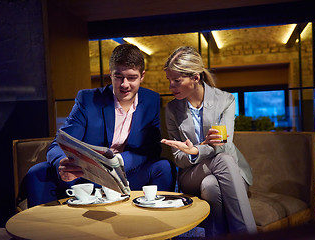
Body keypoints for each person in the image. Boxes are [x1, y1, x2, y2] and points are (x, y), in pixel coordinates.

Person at [25, 44, 175, 207]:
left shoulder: (151, 100)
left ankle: (158, 228)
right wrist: (63, 164)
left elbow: (151, 149)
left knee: (163, 167)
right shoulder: (88, 100)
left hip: (128, 174)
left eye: (131, 77)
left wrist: (119, 161)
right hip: (87, 175)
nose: (125, 84)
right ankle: (46, 230)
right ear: (110, 75)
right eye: (118, 77)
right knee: (38, 173)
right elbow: (58, 144)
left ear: (142, 76)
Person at [161, 46, 257, 237]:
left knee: (212, 186)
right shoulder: (171, 110)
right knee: (224, 160)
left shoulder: (226, 100)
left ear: (195, 78)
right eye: (169, 81)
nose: (171, 86)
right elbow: (180, 159)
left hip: (231, 173)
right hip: (191, 174)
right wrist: (202, 149)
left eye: (177, 81)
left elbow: (225, 145)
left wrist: (196, 150)